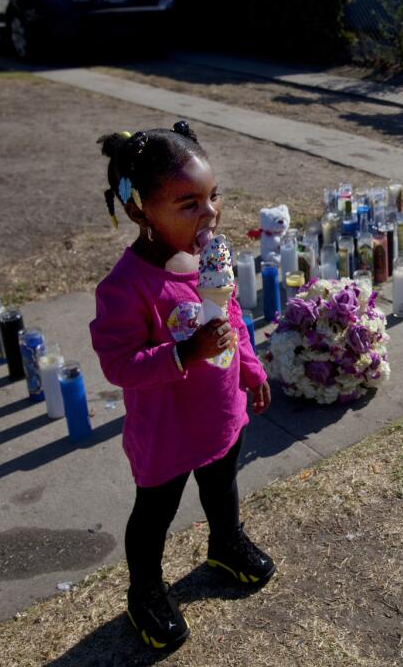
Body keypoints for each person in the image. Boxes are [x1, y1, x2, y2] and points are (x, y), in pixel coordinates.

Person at [89, 121, 275, 651]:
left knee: (222, 484)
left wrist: (250, 369)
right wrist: (181, 353)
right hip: (167, 429)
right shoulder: (125, 288)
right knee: (155, 515)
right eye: (188, 203)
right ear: (139, 209)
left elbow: (232, 315)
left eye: (213, 196)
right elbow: (120, 364)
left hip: (219, 409)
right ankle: (146, 591)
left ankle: (225, 543)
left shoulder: (210, 257)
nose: (210, 213)